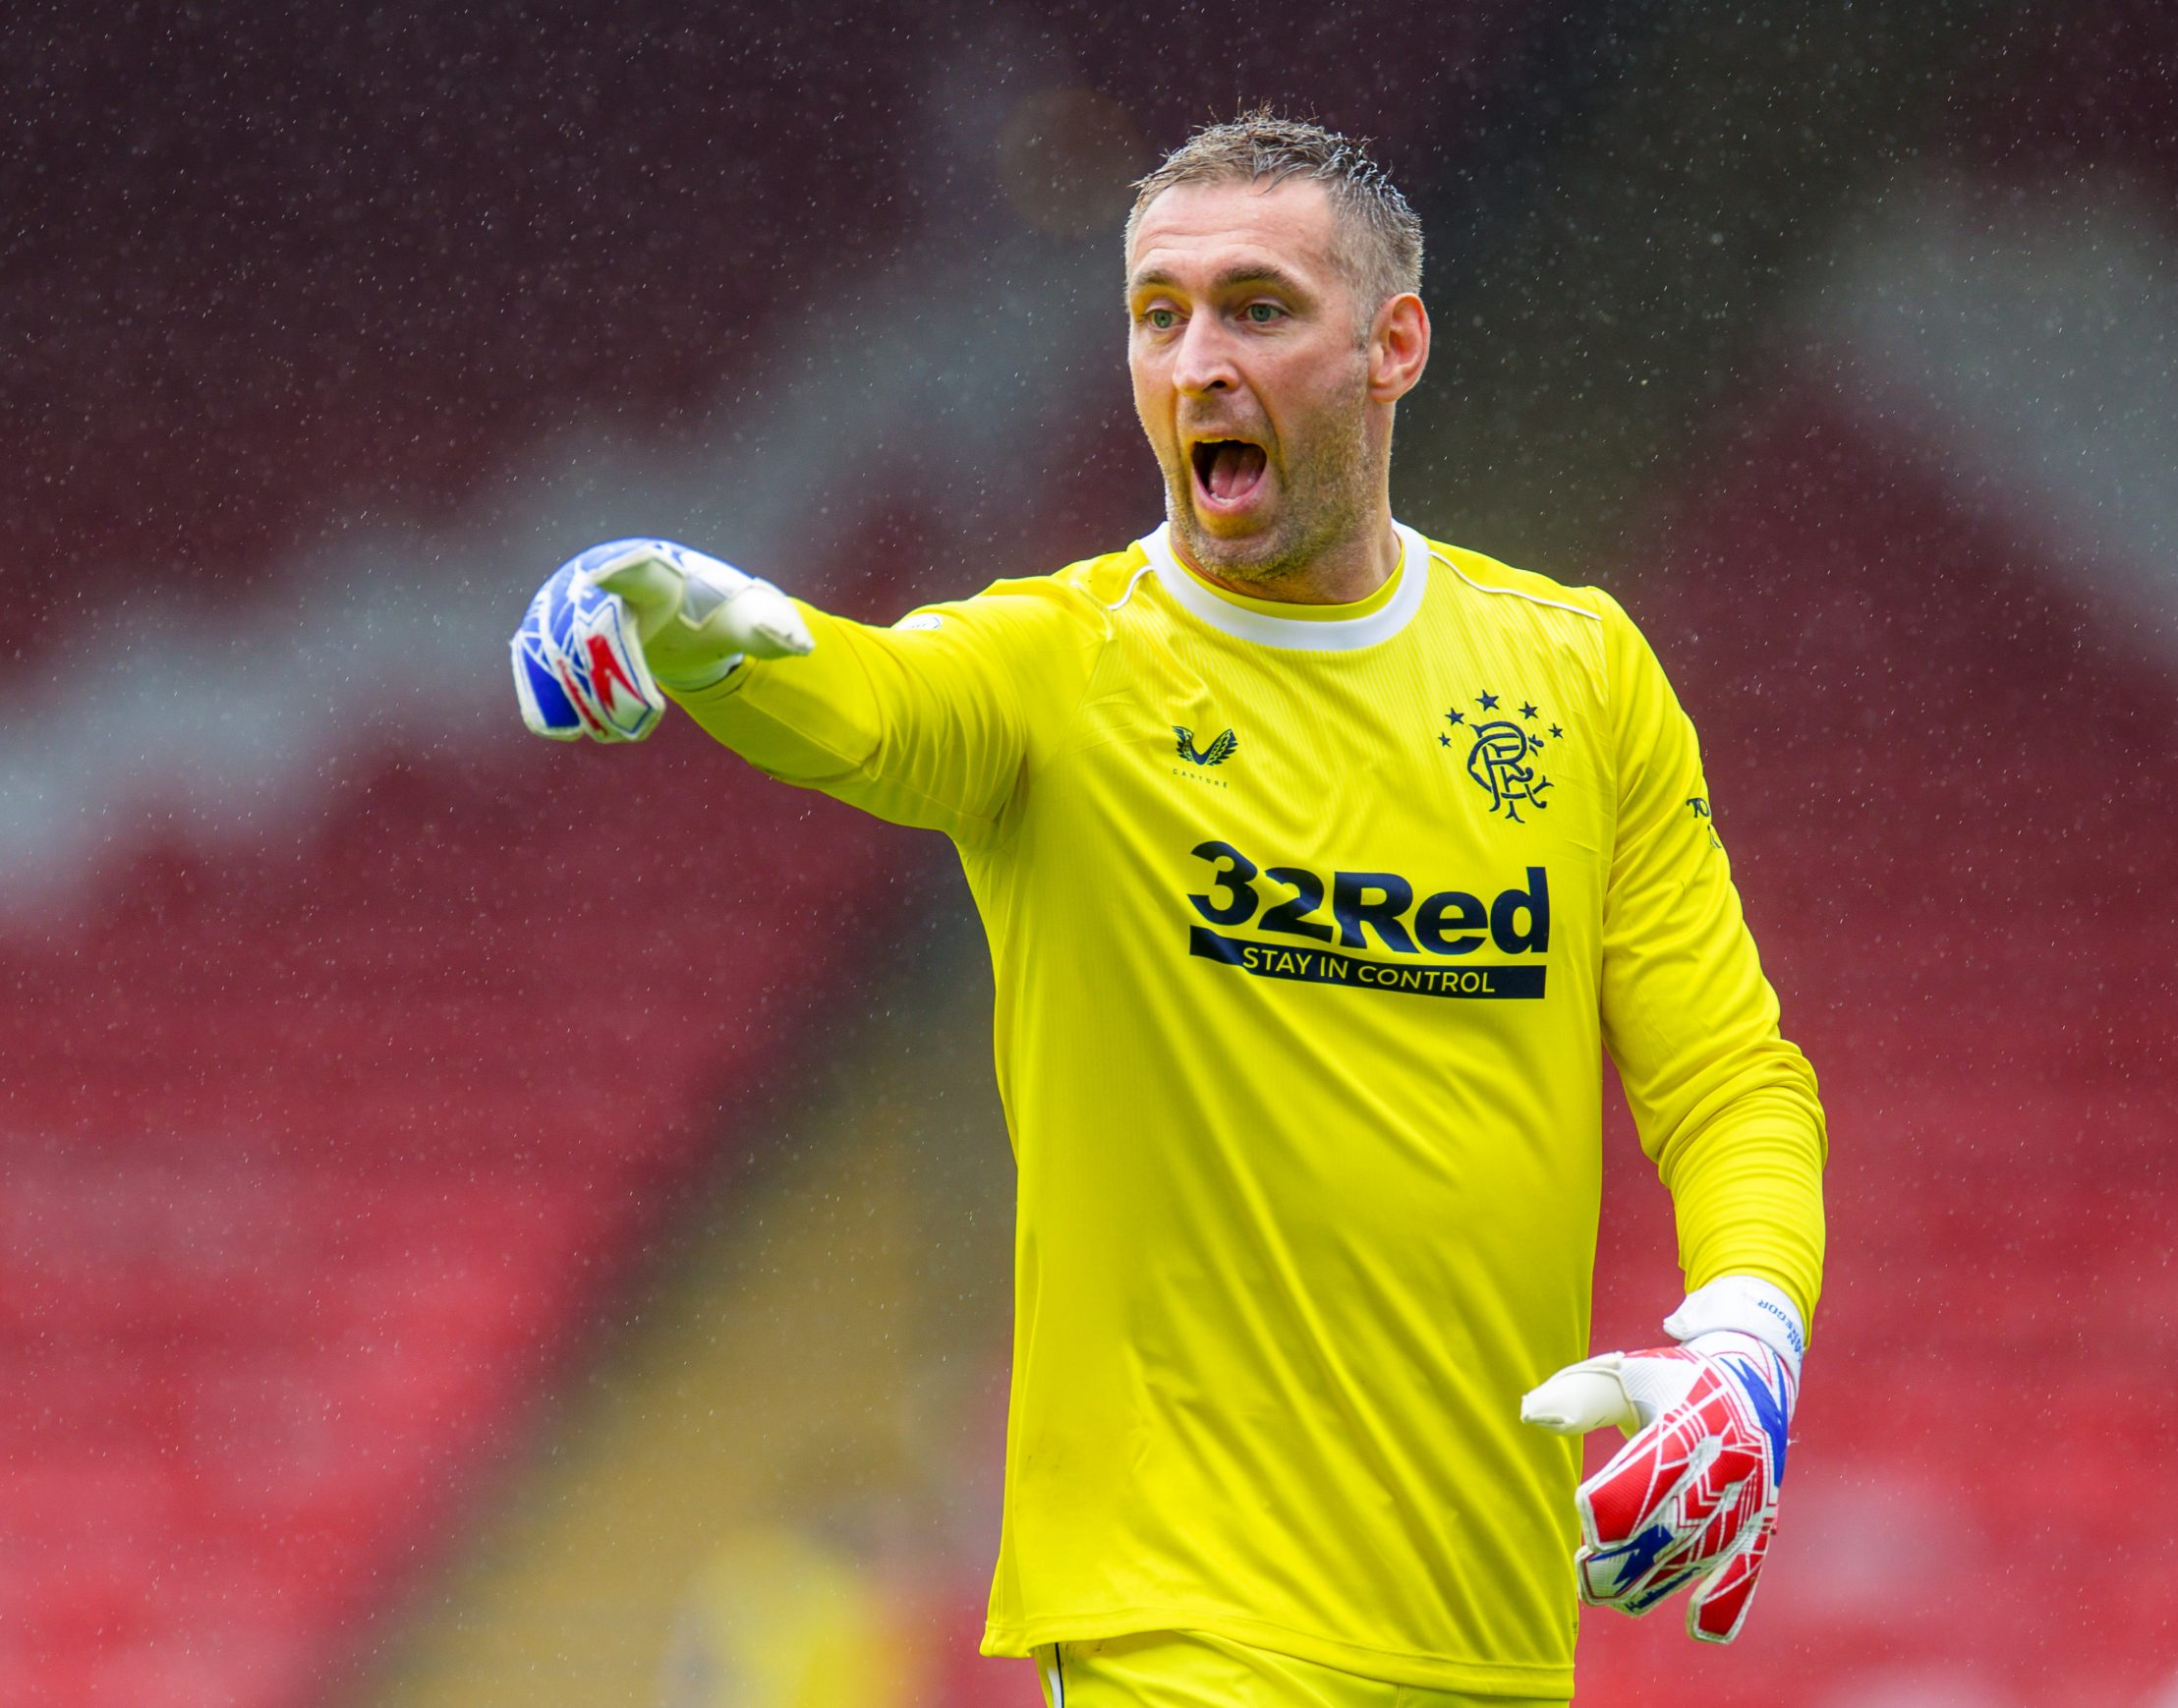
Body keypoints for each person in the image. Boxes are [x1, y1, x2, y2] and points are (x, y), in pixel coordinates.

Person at [512, 111, 1825, 1708]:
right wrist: (716, 628)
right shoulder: (1061, 668)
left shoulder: (1578, 673)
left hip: (1487, 1627)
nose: (1198, 358)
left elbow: (1728, 1074)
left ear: (1393, 344)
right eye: (1159, 314)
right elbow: (873, 701)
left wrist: (1750, 1334)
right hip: (1177, 1625)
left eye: (1258, 308)